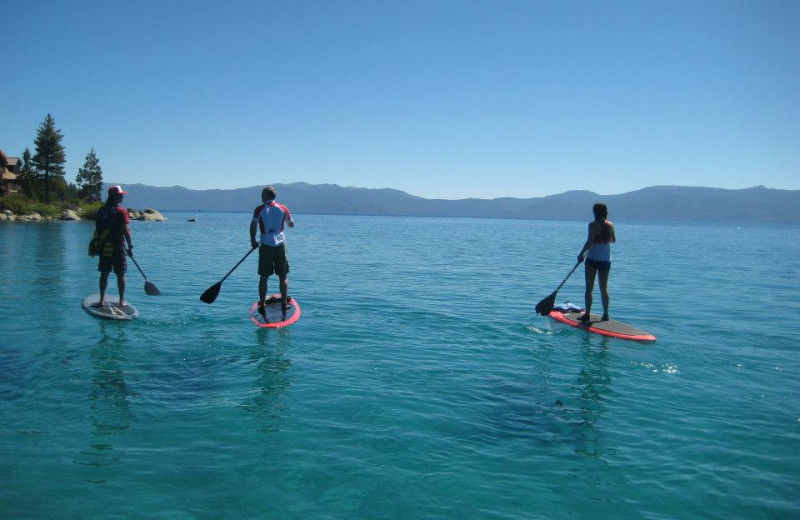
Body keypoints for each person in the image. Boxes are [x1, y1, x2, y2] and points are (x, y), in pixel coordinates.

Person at [250, 186, 295, 318]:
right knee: (283, 276)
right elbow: (291, 224)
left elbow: (253, 225)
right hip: (280, 244)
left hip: (265, 245)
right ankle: (284, 304)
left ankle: (263, 304)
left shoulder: (259, 209)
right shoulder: (283, 208)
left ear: (264, 196)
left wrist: (253, 240)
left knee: (264, 277)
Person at [95, 185, 133, 307]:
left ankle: (101, 300)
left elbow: (98, 229)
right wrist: (130, 247)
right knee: (120, 274)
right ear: (115, 196)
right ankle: (121, 301)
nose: (122, 196)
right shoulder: (122, 211)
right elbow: (126, 230)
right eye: (121, 195)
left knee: (104, 273)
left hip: (104, 247)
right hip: (118, 247)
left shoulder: (101, 210)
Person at [577, 202, 616, 322]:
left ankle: (587, 314)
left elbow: (589, 242)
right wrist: (603, 237)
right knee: (604, 288)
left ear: (595, 213)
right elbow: (613, 240)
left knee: (589, 288)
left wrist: (581, 254)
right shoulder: (610, 225)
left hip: (592, 259)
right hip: (605, 260)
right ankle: (605, 314)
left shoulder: (592, 225)